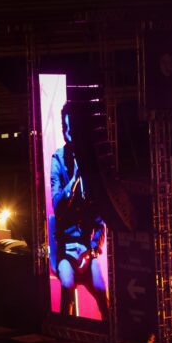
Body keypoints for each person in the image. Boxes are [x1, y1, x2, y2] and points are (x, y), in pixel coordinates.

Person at [49, 102, 109, 319]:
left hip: (86, 249)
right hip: (67, 249)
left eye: (73, 129)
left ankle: (109, 335)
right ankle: (65, 331)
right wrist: (74, 180)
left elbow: (101, 217)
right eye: (66, 129)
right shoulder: (58, 160)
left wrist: (92, 249)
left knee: (102, 292)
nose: (69, 134)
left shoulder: (93, 162)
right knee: (66, 285)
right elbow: (57, 204)